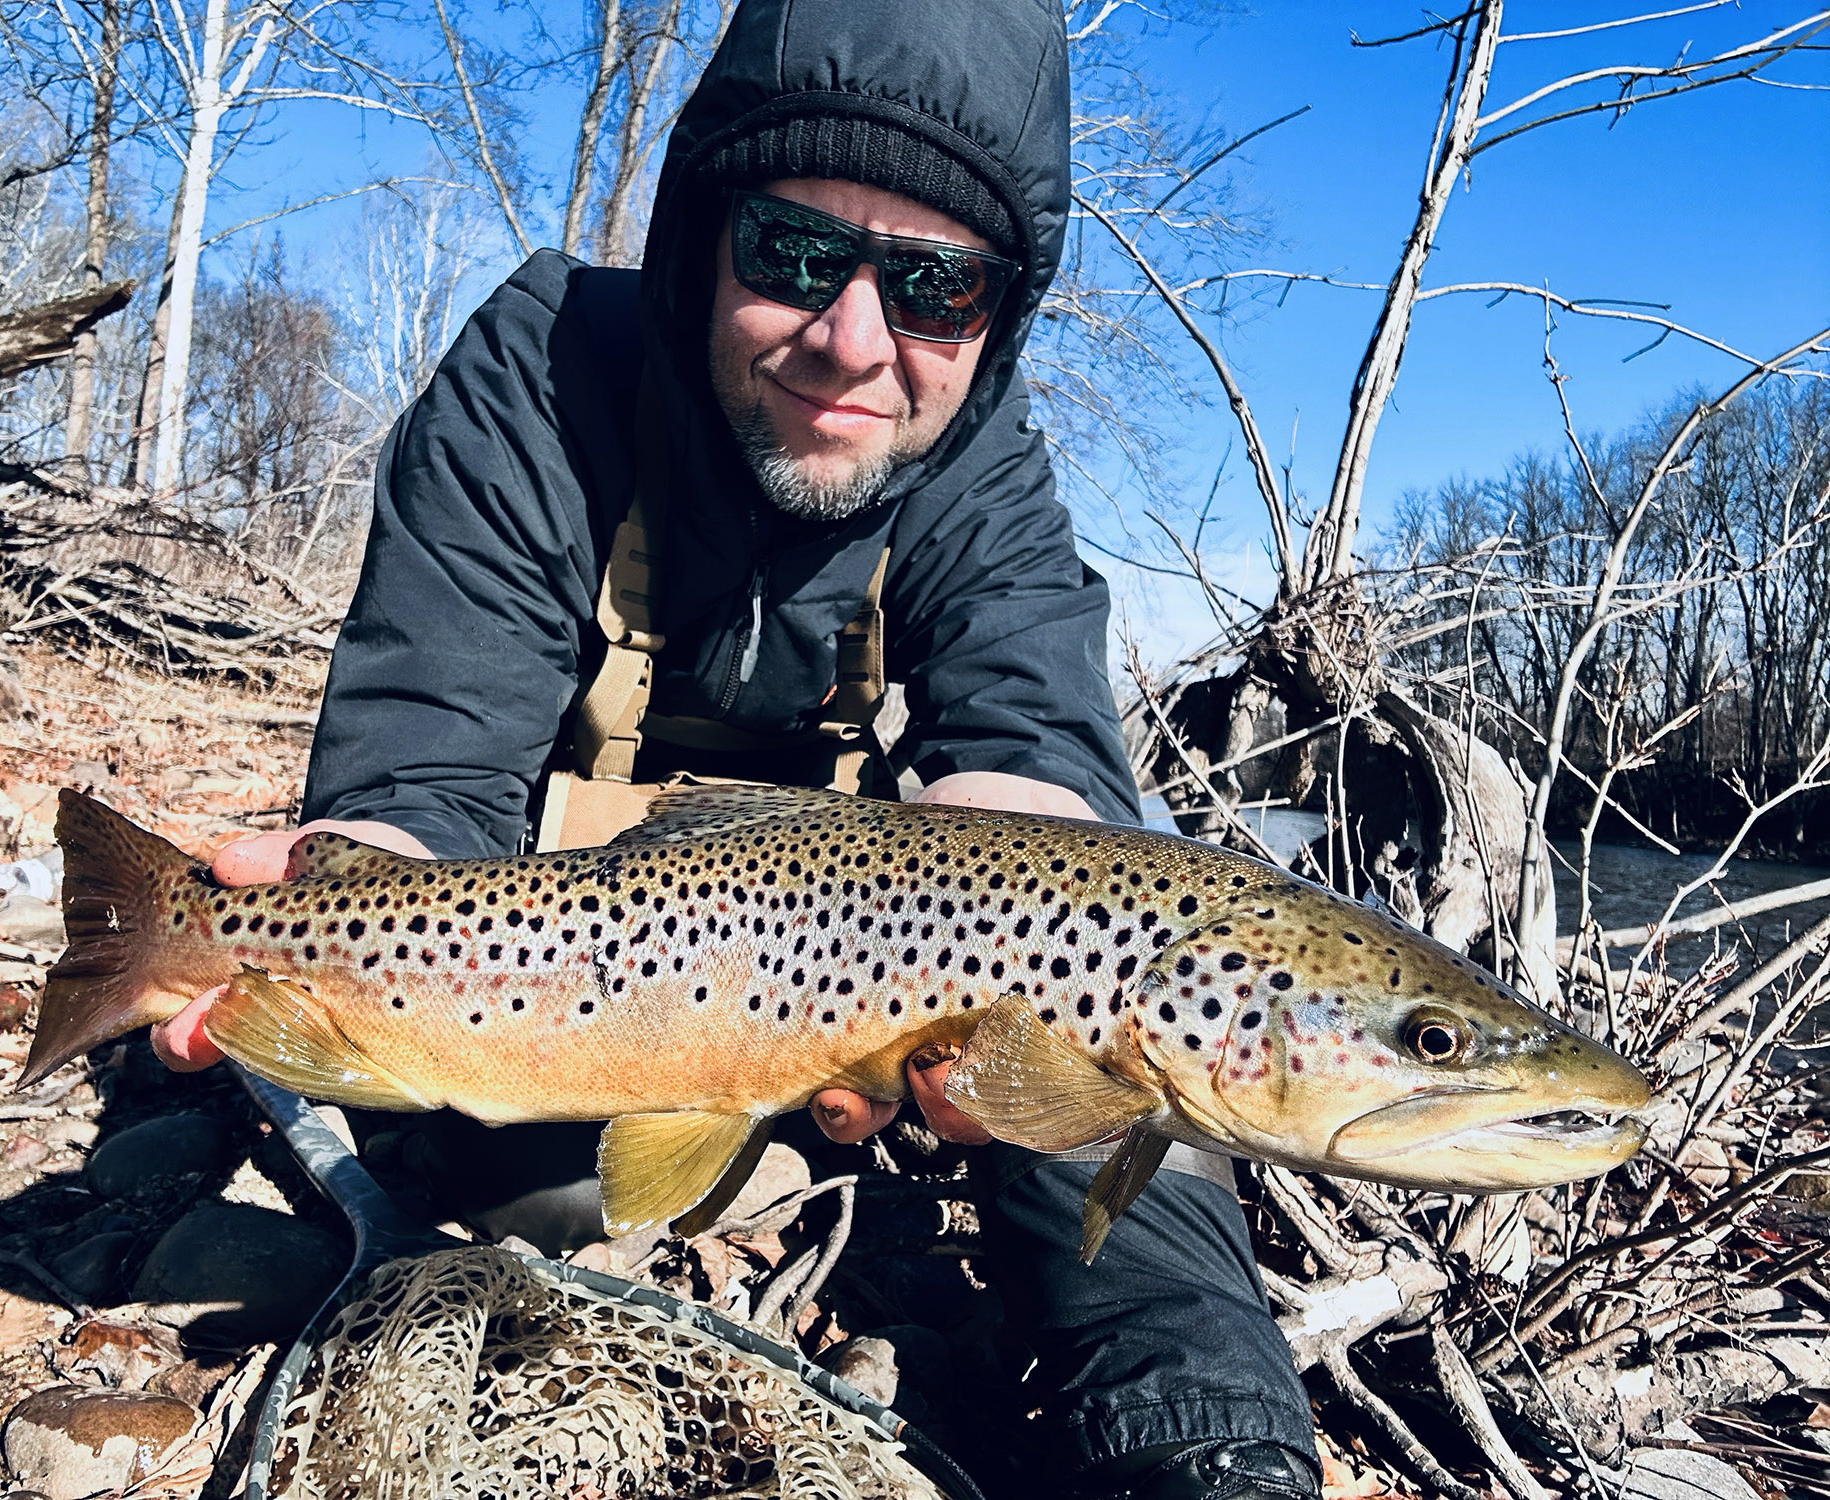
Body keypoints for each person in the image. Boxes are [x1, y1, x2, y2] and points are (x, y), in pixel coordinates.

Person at [150, 1, 1319, 1495]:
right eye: (791, 253)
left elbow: (1041, 756)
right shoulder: (541, 372)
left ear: (996, 315)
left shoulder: (987, 468)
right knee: (534, 1186)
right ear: (704, 231)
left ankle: (1204, 1438)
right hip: (576, 944)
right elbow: (429, 758)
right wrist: (345, 889)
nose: (854, 339)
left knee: (1126, 1040)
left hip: (873, 942)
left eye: (937, 287)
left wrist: (1032, 918)